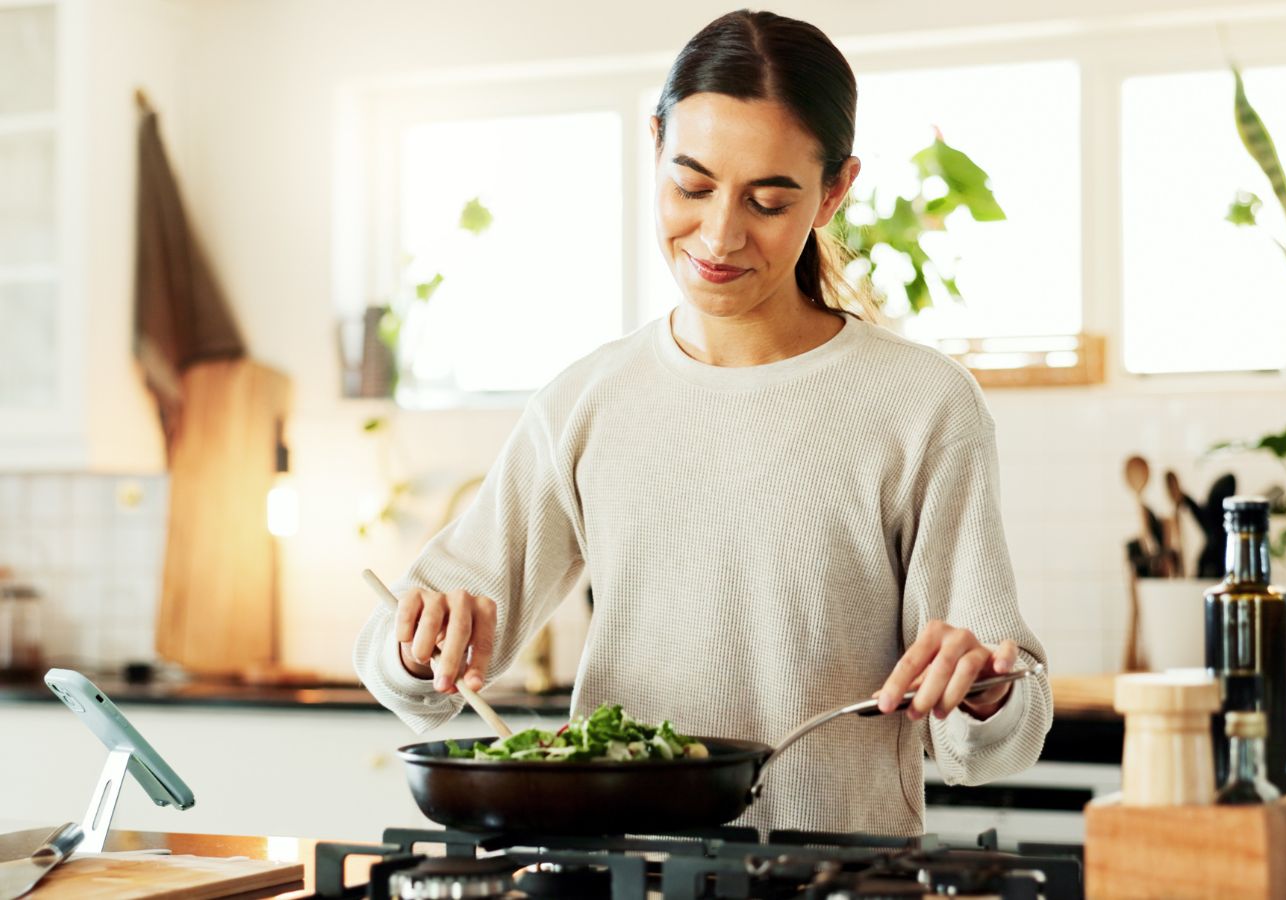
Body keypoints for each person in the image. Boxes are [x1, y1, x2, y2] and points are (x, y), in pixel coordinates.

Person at [355, 8, 1051, 836]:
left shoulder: (922, 404)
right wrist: (416, 643)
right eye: (691, 186)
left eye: (767, 200)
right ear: (654, 146)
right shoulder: (589, 399)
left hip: (840, 881)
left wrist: (987, 688)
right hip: (619, 875)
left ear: (834, 191)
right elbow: (399, 655)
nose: (719, 235)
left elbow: (996, 741)